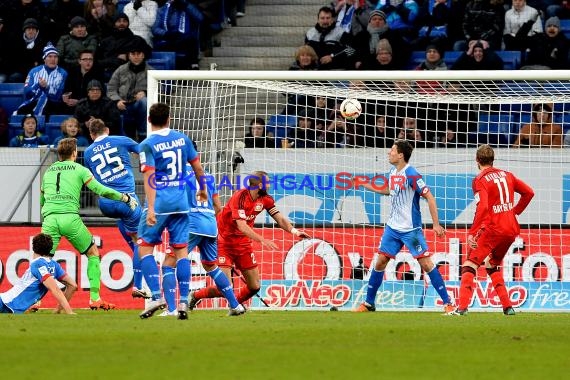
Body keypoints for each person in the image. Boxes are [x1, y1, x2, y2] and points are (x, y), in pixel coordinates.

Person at [354, 140, 455, 313]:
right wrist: (364, 185)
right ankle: (369, 303)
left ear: (401, 155)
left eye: (392, 150)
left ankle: (448, 303)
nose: (389, 152)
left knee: (426, 264)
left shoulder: (412, 174)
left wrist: (436, 224)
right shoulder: (393, 172)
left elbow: (430, 197)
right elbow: (389, 190)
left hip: (411, 229)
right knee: (380, 262)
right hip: (393, 228)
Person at [40, 137, 138, 310]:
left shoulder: (49, 171)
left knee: (41, 262)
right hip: (70, 218)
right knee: (93, 253)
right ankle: (94, 298)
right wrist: (124, 197)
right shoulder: (80, 169)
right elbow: (100, 190)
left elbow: (42, 199)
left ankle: (36, 302)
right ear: (74, 153)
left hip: (49, 219)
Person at [189, 171, 310, 309]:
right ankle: (195, 296)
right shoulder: (239, 197)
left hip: (243, 245)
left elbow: (280, 218)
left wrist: (295, 231)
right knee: (225, 286)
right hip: (224, 243)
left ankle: (235, 306)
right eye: (268, 182)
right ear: (260, 185)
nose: (270, 185)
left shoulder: (266, 199)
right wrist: (262, 239)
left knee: (255, 286)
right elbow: (242, 226)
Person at [137, 102, 207, 320]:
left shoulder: (147, 145)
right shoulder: (183, 139)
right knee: (181, 252)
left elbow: (149, 176)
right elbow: (197, 167)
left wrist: (150, 208)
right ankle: (184, 302)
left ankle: (157, 296)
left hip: (160, 204)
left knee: (144, 248)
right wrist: (202, 189)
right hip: (182, 204)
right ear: (169, 118)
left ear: (149, 120)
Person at [451, 145, 534, 315]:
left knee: (470, 264)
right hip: (511, 230)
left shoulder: (480, 180)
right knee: (491, 264)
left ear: (477, 161)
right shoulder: (507, 175)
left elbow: (483, 207)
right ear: (493, 159)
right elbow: (529, 193)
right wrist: (514, 212)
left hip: (493, 229)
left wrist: (472, 232)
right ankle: (508, 307)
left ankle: (462, 308)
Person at [161, 161, 244, 316]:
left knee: (168, 264)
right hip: (210, 225)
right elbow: (218, 207)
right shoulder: (208, 177)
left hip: (190, 224)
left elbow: (173, 203)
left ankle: (173, 308)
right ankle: (235, 305)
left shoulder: (178, 175)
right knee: (211, 266)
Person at [84, 118, 149, 300]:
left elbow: (93, 177)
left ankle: (139, 260)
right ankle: (138, 285)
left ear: (91, 134)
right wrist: (142, 162)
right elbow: (143, 149)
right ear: (107, 129)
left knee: (127, 229)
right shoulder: (120, 140)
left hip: (105, 203)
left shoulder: (88, 153)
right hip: (126, 199)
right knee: (140, 243)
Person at [0, 233, 77, 314]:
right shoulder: (54, 265)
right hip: (7, 304)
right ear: (50, 249)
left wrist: (69, 312)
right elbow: (73, 285)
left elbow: (54, 289)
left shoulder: (37, 264)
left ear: (33, 248)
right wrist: (58, 310)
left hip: (5, 303)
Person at [106, 36, 150, 141]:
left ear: (143, 55)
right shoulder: (121, 70)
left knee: (144, 101)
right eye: (133, 54)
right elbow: (111, 88)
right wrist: (117, 101)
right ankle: (126, 138)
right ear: (129, 56)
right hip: (122, 104)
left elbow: (160, 90)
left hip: (139, 106)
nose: (136, 57)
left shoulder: (151, 71)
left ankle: (143, 135)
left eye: (138, 54)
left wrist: (146, 92)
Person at [16, 43, 67, 117]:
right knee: (42, 96)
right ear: (44, 59)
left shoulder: (63, 73)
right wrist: (38, 85)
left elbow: (59, 95)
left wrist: (47, 87)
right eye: (49, 56)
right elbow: (27, 92)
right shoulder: (34, 71)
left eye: (55, 57)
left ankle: (34, 118)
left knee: (44, 97)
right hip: (33, 102)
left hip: (53, 105)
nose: (53, 59)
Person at [305, 6, 355, 70]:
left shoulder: (340, 32)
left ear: (332, 19)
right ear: (318, 19)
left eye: (328, 18)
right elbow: (305, 52)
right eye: (322, 18)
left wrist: (332, 56)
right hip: (315, 70)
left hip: (335, 70)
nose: (325, 21)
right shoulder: (310, 33)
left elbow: (351, 50)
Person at [96, 12, 138, 80]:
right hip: (106, 72)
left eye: (124, 21)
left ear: (128, 23)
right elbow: (97, 60)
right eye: (119, 21)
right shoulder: (105, 41)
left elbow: (145, 52)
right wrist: (115, 59)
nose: (122, 23)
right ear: (114, 24)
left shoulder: (135, 39)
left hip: (128, 74)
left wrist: (128, 56)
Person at [62, 49, 105, 114]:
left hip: (91, 107)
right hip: (72, 106)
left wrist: (79, 102)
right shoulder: (72, 73)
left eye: (90, 59)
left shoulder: (98, 74)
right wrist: (66, 97)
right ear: (79, 61)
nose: (88, 62)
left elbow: (99, 95)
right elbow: (67, 90)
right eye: (85, 59)